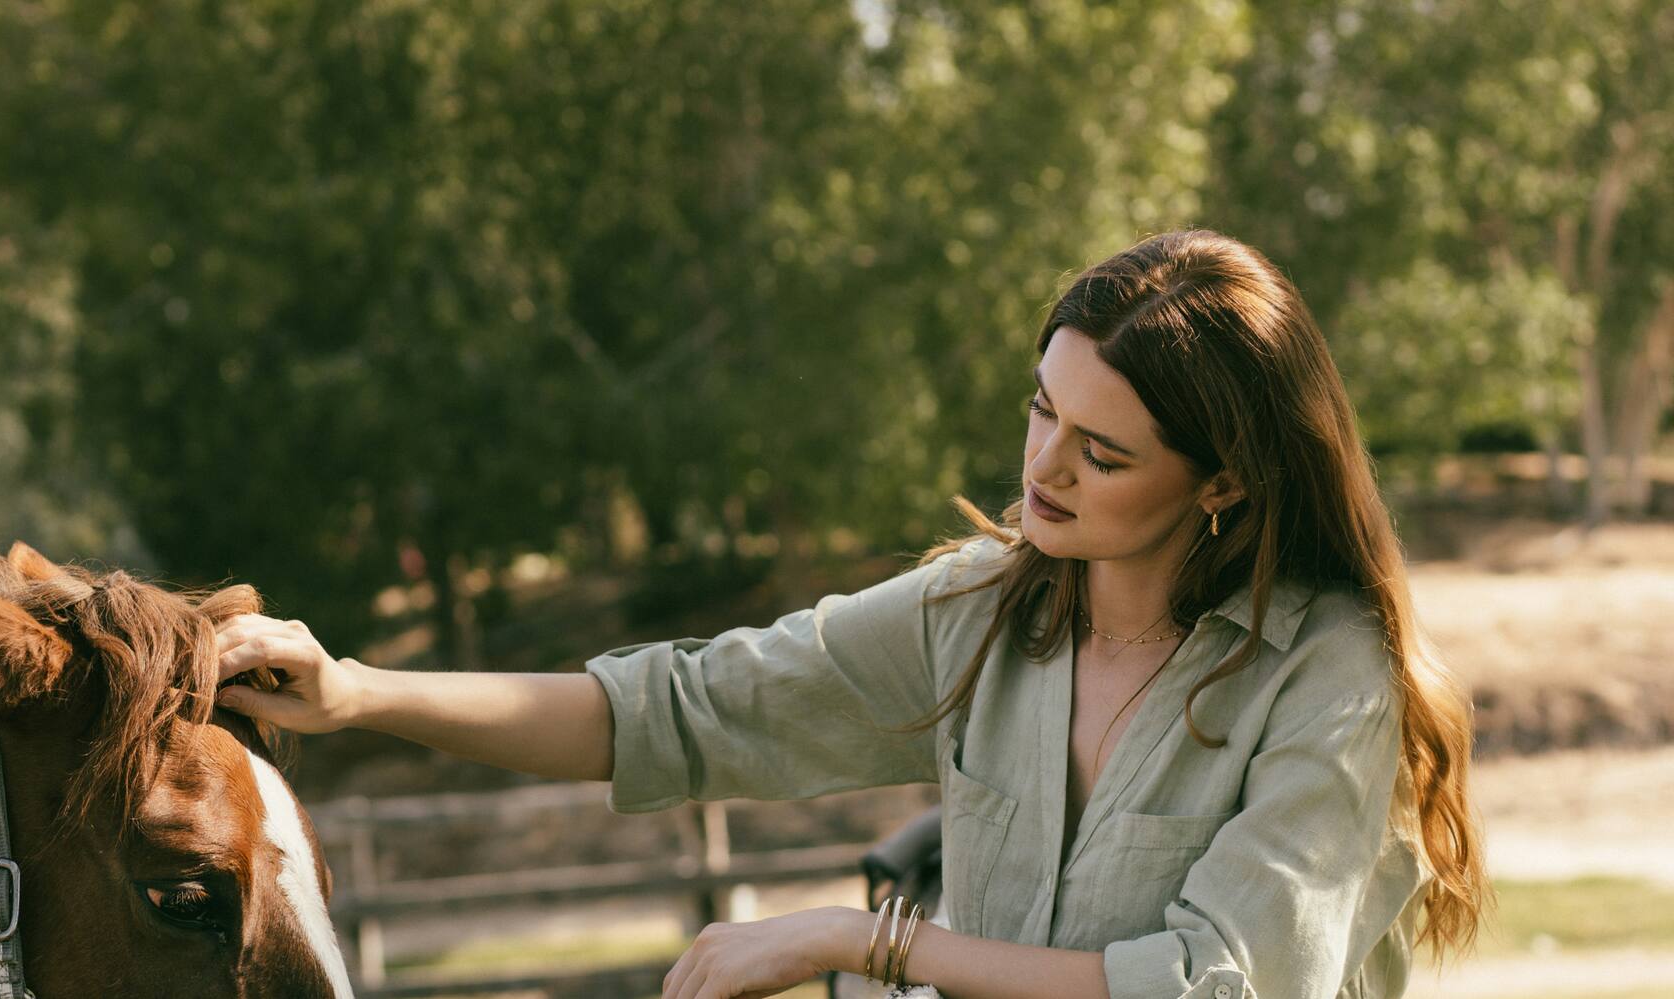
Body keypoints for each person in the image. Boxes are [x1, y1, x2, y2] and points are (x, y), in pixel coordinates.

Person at [213, 229, 1490, 999]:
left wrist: (871, 943)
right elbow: (679, 710)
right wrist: (361, 692)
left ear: (1221, 481)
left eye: (1101, 455)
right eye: (1042, 410)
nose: (1042, 470)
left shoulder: (1330, 674)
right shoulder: (981, 614)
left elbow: (1214, 984)